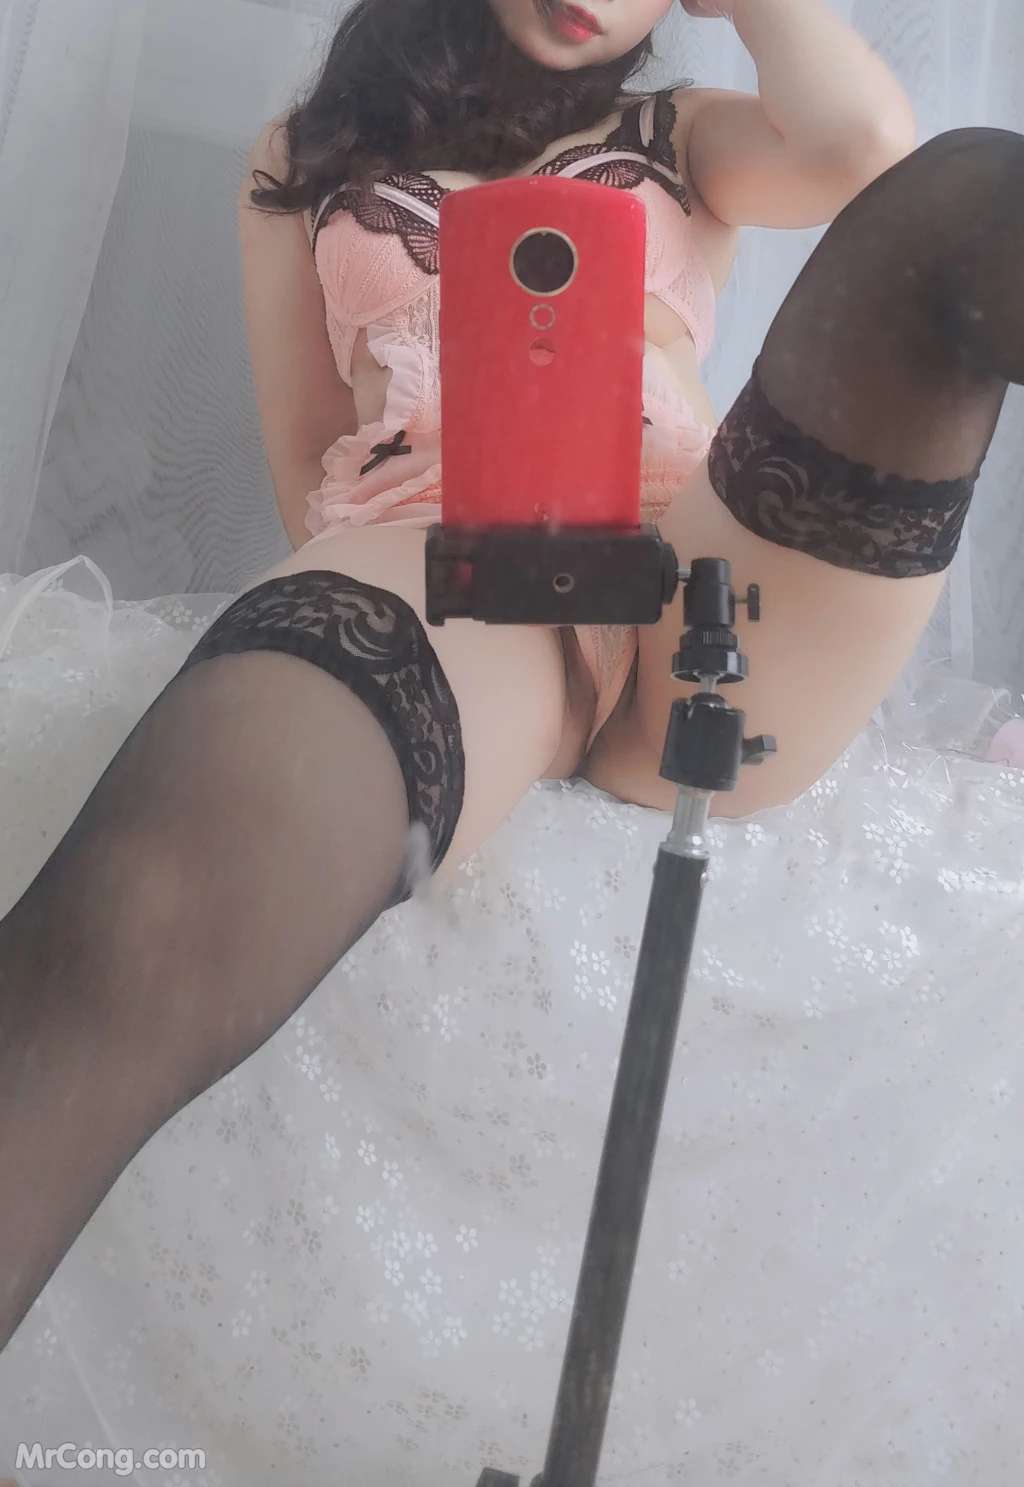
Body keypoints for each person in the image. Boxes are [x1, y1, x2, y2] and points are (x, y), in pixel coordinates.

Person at [1, 0, 1023, 1465]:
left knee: (976, 201)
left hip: (706, 548)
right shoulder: (299, 155)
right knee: (152, 905)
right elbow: (305, 468)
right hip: (449, 544)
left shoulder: (687, 136)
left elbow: (868, 146)